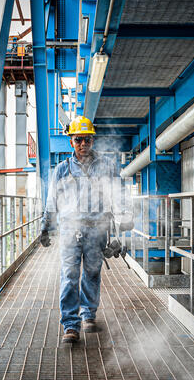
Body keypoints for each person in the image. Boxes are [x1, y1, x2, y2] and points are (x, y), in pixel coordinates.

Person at [40, 116, 133, 343]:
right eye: (79, 139)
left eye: (88, 140)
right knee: (69, 276)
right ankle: (71, 325)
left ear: (93, 141)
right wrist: (45, 227)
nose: (83, 144)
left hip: (97, 230)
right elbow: (53, 200)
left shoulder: (106, 167)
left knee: (92, 274)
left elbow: (118, 194)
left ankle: (88, 315)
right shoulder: (62, 170)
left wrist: (126, 218)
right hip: (70, 230)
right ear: (71, 141)